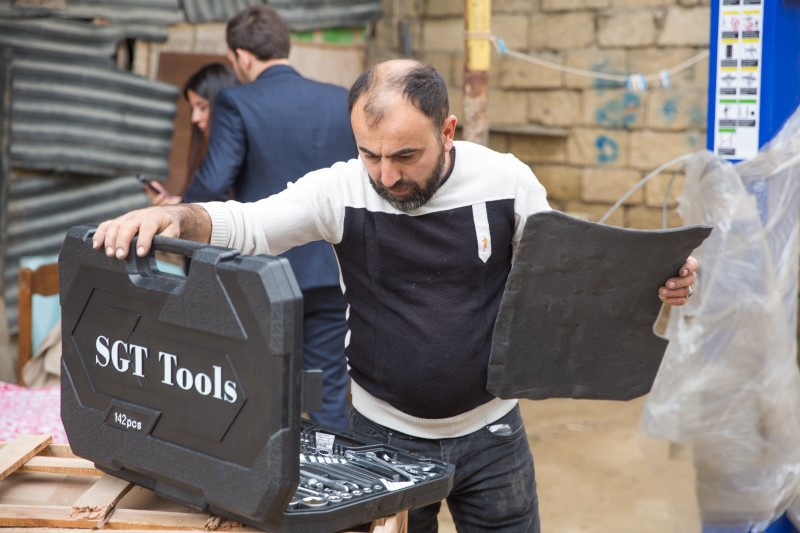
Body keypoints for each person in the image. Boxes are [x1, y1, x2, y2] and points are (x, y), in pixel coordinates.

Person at [93, 59, 699, 532]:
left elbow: (568, 270)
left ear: (447, 131)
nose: (386, 176)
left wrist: (656, 278)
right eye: (370, 154)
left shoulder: (506, 180)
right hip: (382, 438)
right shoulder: (340, 190)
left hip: (493, 435)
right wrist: (176, 218)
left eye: (406, 155)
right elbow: (251, 224)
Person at [156, 5, 357, 431]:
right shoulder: (340, 99)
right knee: (327, 396)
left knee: (256, 393)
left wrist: (181, 210)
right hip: (332, 271)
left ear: (242, 57)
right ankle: (335, 472)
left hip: (265, 277)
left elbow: (213, 183)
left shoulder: (236, 101)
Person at [144, 63, 239, 205]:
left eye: (203, 107)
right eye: (193, 108)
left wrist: (181, 206)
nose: (195, 118)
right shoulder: (206, 152)